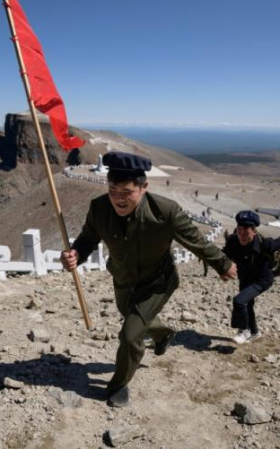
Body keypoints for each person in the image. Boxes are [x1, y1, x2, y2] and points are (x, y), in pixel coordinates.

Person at [61, 151, 237, 407]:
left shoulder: (165, 211)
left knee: (131, 334)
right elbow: (88, 238)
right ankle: (163, 334)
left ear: (144, 187)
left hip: (157, 283)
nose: (118, 198)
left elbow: (196, 241)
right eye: (113, 190)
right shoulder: (99, 208)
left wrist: (223, 264)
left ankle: (118, 384)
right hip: (122, 278)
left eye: (126, 192)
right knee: (128, 312)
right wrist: (76, 254)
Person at [223, 210, 280, 345]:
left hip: (262, 280)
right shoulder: (233, 241)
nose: (242, 236)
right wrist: (222, 270)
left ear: (254, 231)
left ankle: (244, 330)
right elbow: (224, 256)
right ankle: (255, 332)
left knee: (239, 301)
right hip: (245, 278)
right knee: (247, 304)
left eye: (246, 232)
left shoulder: (265, 244)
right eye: (239, 231)